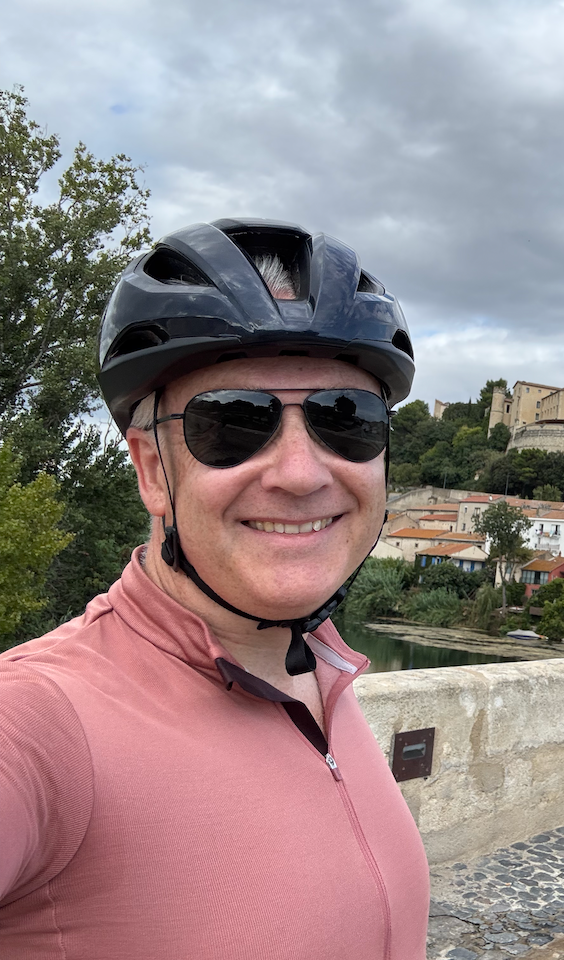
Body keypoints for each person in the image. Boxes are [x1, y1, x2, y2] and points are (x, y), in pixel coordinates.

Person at [0, 220, 430, 957]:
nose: (301, 472)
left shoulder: (319, 674)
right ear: (152, 470)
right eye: (234, 422)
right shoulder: (43, 718)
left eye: (344, 420)